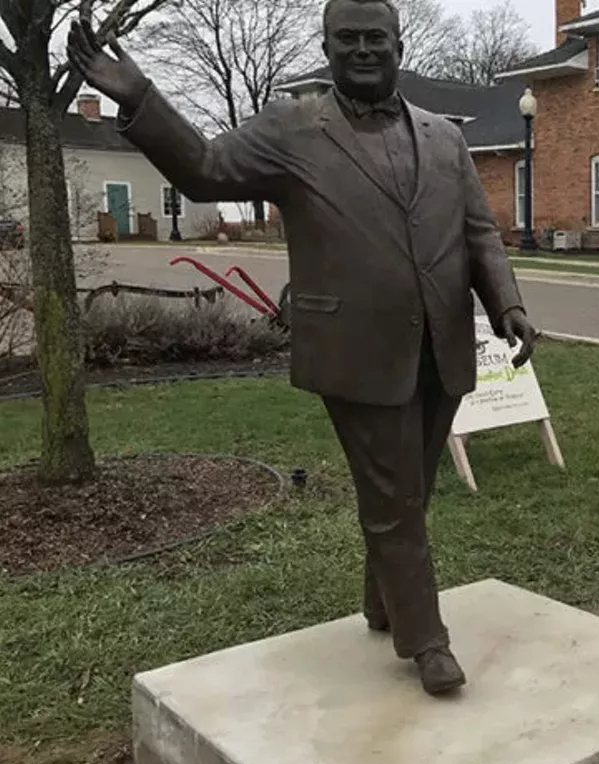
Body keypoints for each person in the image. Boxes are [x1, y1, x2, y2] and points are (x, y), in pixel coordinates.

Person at [67, 0, 538, 696]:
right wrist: (141, 98)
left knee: (410, 489)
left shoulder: (444, 138)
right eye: (348, 39)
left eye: (376, 37)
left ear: (399, 45)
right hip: (352, 347)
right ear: (327, 47)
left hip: (441, 346)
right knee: (396, 497)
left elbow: (480, 234)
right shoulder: (293, 127)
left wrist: (510, 305)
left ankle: (383, 602)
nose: (364, 50)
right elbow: (203, 168)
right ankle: (425, 639)